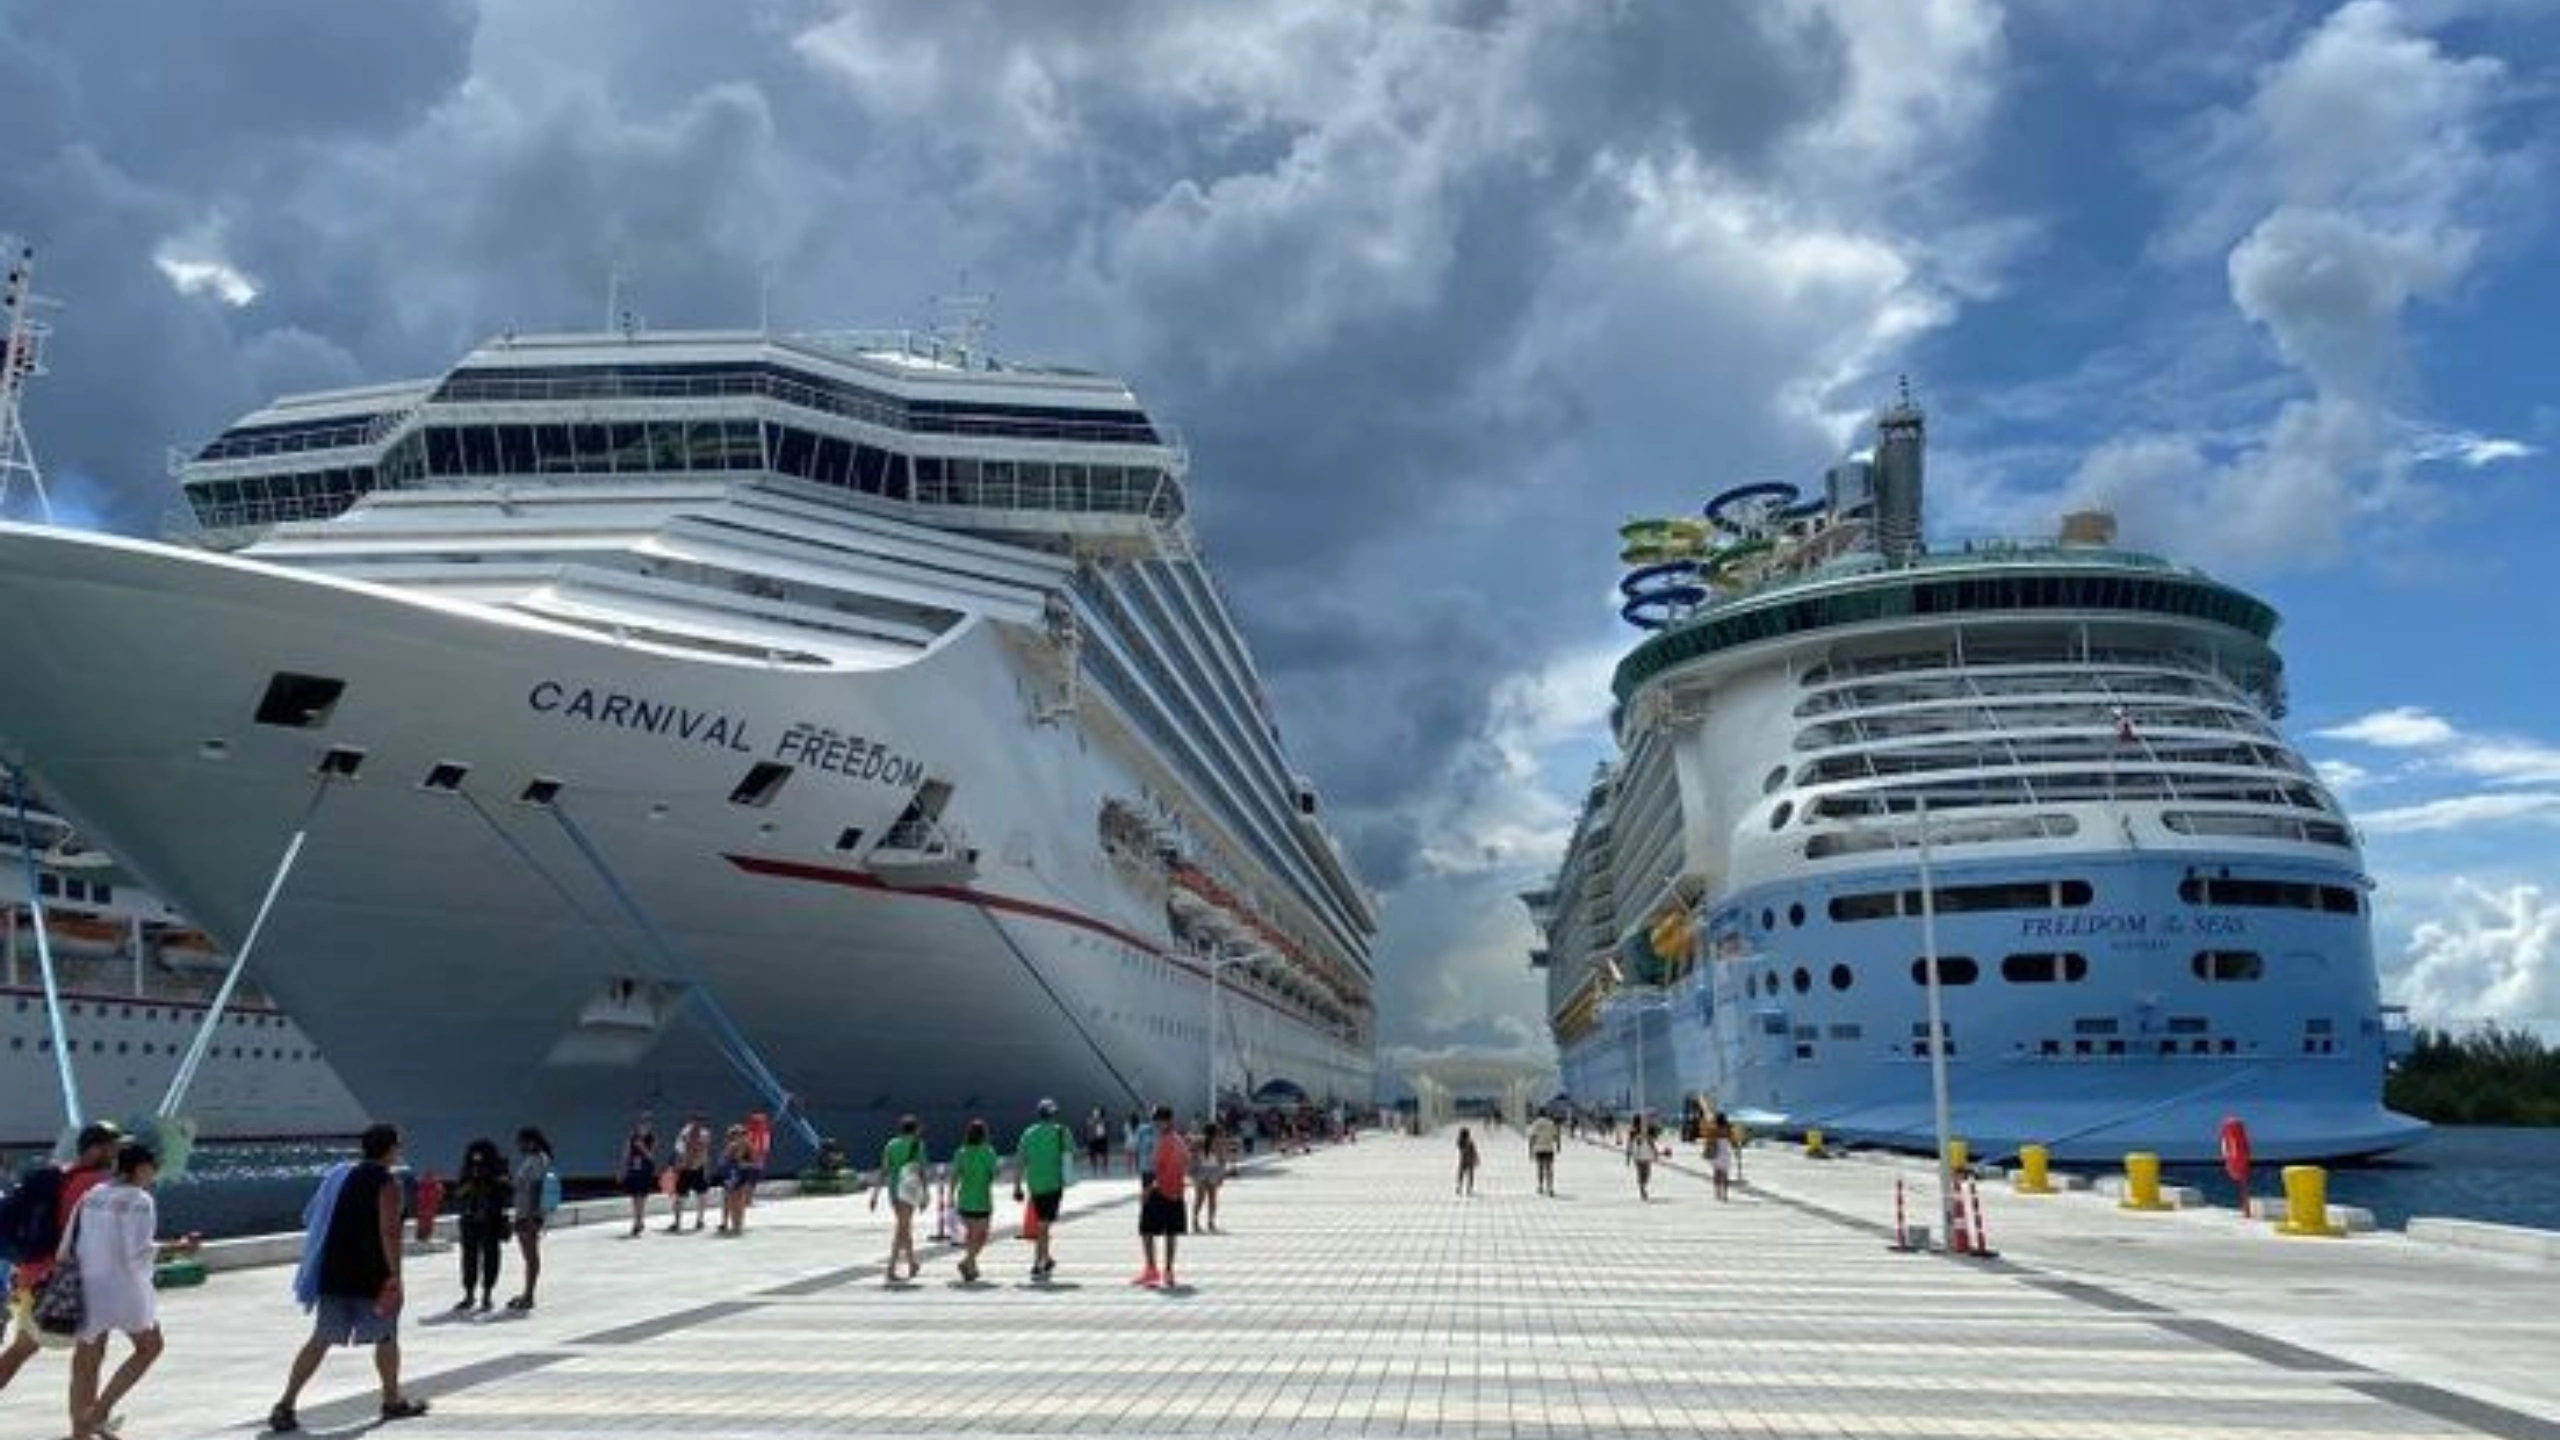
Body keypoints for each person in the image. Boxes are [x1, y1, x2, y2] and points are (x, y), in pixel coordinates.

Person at [269, 1123, 428, 1433]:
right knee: (386, 1337)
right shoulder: (387, 1183)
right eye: (398, 1145)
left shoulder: (344, 1176)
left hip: (336, 1270)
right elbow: (389, 1231)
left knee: (321, 1338)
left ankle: (285, 1403)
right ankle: (392, 1400)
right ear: (389, 1149)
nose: (400, 1151)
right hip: (371, 1274)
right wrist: (395, 1276)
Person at [63, 1141, 196, 1440]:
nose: (154, 1176)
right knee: (150, 1347)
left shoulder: (92, 1195)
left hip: (88, 1284)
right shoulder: (139, 1200)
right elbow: (137, 1253)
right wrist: (179, 1247)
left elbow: (70, 1243)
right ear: (141, 1168)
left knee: (85, 1360)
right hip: (124, 1289)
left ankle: (79, 1432)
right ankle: (99, 1412)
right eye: (153, 1169)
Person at [0, 1120, 119, 1416]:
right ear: (94, 1150)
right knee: (90, 1355)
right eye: (112, 1148)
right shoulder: (95, 1184)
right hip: (67, 1282)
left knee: (21, 1350)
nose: (117, 1155)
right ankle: (84, 1425)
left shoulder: (60, 1176)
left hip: (34, 1277)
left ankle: (86, 1423)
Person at [1012, 1099, 1071, 1280]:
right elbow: (1071, 1154)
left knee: (1043, 1223)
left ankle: (1046, 1257)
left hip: (1035, 1185)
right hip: (1054, 1184)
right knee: (1044, 1224)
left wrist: (1017, 1186)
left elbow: (1020, 1161)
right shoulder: (1062, 1131)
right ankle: (1039, 1263)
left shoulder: (1028, 1133)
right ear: (1053, 1114)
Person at [449, 1138, 509, 1313]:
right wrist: (470, 1182)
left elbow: (507, 1190)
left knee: (490, 1257)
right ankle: (470, 1294)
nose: (477, 1162)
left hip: (491, 1219)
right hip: (470, 1219)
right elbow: (458, 1193)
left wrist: (493, 1180)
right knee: (469, 1258)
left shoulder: (498, 1169)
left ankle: (486, 1294)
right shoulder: (467, 1170)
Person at [1133, 1104, 1188, 1289]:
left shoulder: (1165, 1141)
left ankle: (1152, 1269)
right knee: (1171, 1232)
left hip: (1159, 1190)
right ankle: (1168, 1271)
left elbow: (1157, 1169)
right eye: (1156, 1120)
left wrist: (1147, 1190)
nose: (1157, 1124)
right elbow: (1186, 1162)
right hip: (1176, 1191)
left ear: (1168, 1121)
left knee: (1146, 1229)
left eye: (1159, 1120)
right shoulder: (1178, 1139)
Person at [870, 1116, 926, 1285]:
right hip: (909, 1190)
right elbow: (921, 1172)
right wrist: (925, 1195)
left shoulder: (891, 1145)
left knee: (904, 1226)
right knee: (902, 1228)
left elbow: (883, 1170)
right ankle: (891, 1267)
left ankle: (912, 1263)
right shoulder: (918, 1145)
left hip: (894, 1189)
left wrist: (875, 1194)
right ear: (914, 1129)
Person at [948, 1120, 999, 1284]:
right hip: (982, 1199)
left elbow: (954, 1176)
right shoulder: (988, 1152)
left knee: (971, 1235)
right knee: (982, 1236)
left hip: (965, 1199)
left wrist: (950, 1195)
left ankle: (970, 1265)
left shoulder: (961, 1152)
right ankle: (967, 1263)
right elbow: (995, 1174)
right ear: (984, 1134)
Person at [507, 1128, 552, 1311]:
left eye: (521, 1142)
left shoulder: (539, 1159)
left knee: (531, 1255)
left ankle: (529, 1296)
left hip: (529, 1214)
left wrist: (533, 1216)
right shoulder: (532, 1159)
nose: (519, 1146)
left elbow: (536, 1187)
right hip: (523, 1212)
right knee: (528, 1256)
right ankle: (526, 1293)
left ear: (531, 1142)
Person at [668, 1114, 712, 1233]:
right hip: (685, 1169)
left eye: (700, 1121)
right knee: (679, 1196)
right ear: (692, 1121)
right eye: (696, 1120)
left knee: (702, 1195)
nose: (698, 1123)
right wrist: (678, 1165)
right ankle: (677, 1222)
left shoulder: (705, 1134)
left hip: (698, 1168)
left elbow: (704, 1151)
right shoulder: (684, 1133)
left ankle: (700, 1220)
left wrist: (702, 1166)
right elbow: (678, 1150)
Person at [618, 1113, 659, 1238]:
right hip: (634, 1169)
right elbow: (625, 1154)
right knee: (635, 1197)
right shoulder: (632, 1137)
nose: (643, 1126)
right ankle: (637, 1220)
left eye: (646, 1124)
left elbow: (651, 1157)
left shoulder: (652, 1138)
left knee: (642, 1196)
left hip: (646, 1170)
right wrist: (622, 1170)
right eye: (641, 1124)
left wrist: (642, 1147)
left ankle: (639, 1221)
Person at [716, 1123, 755, 1236]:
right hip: (731, 1174)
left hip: (742, 1174)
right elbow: (723, 1162)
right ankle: (733, 1225)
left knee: (740, 1201)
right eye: (737, 1134)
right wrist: (736, 1164)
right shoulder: (731, 1146)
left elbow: (754, 1162)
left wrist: (745, 1165)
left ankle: (738, 1225)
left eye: (743, 1134)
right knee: (732, 1200)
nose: (741, 1136)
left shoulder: (748, 1146)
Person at [1189, 1121, 1227, 1233]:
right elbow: (1222, 1159)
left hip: (1200, 1171)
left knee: (1199, 1199)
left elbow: (1192, 1156)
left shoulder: (1198, 1142)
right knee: (1212, 1199)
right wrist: (1222, 1174)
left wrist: (1191, 1171)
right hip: (1213, 1171)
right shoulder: (1218, 1142)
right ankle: (1211, 1222)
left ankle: (1195, 1222)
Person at [1527, 1110, 1560, 1196]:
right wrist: (1558, 1146)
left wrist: (1530, 1150)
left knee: (1540, 1168)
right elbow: (1556, 1136)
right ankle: (1550, 1188)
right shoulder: (1551, 1123)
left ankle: (1540, 1186)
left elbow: (1532, 1138)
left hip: (1539, 1148)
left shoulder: (1535, 1123)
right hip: (1549, 1148)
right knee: (1549, 1169)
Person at [1626, 1114, 1655, 1201]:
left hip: (1642, 1155)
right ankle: (1642, 1189)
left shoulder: (1643, 1131)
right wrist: (1628, 1156)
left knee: (1644, 1174)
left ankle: (1642, 1187)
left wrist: (1628, 1157)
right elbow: (1630, 1144)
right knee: (1644, 1174)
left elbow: (1650, 1141)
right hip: (1641, 1156)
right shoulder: (1634, 1132)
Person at [1710, 1112, 1737, 1203]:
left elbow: (1711, 1140)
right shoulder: (1728, 1129)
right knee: (1725, 1174)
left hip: (1717, 1150)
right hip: (1726, 1151)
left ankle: (1717, 1192)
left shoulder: (1714, 1129)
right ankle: (1725, 1194)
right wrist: (1735, 1149)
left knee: (1717, 1173)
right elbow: (1732, 1140)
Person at [1083, 1106, 1110, 1175]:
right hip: (1093, 1140)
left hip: (1102, 1139)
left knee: (1104, 1154)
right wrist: (1088, 1140)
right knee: (1093, 1155)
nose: (1096, 1113)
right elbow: (1088, 1131)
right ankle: (1094, 1169)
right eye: (1095, 1112)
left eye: (1097, 1112)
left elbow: (1107, 1128)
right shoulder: (1090, 1121)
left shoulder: (1104, 1120)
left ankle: (1104, 1169)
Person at [1455, 1127, 1478, 1196]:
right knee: (1466, 1175)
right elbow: (1473, 1151)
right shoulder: (1463, 1142)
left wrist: (1475, 1158)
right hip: (1467, 1161)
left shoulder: (1467, 1142)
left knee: (1464, 1175)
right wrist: (1475, 1158)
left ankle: (1465, 1188)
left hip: (1465, 1161)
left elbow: (1473, 1151)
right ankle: (1464, 1188)